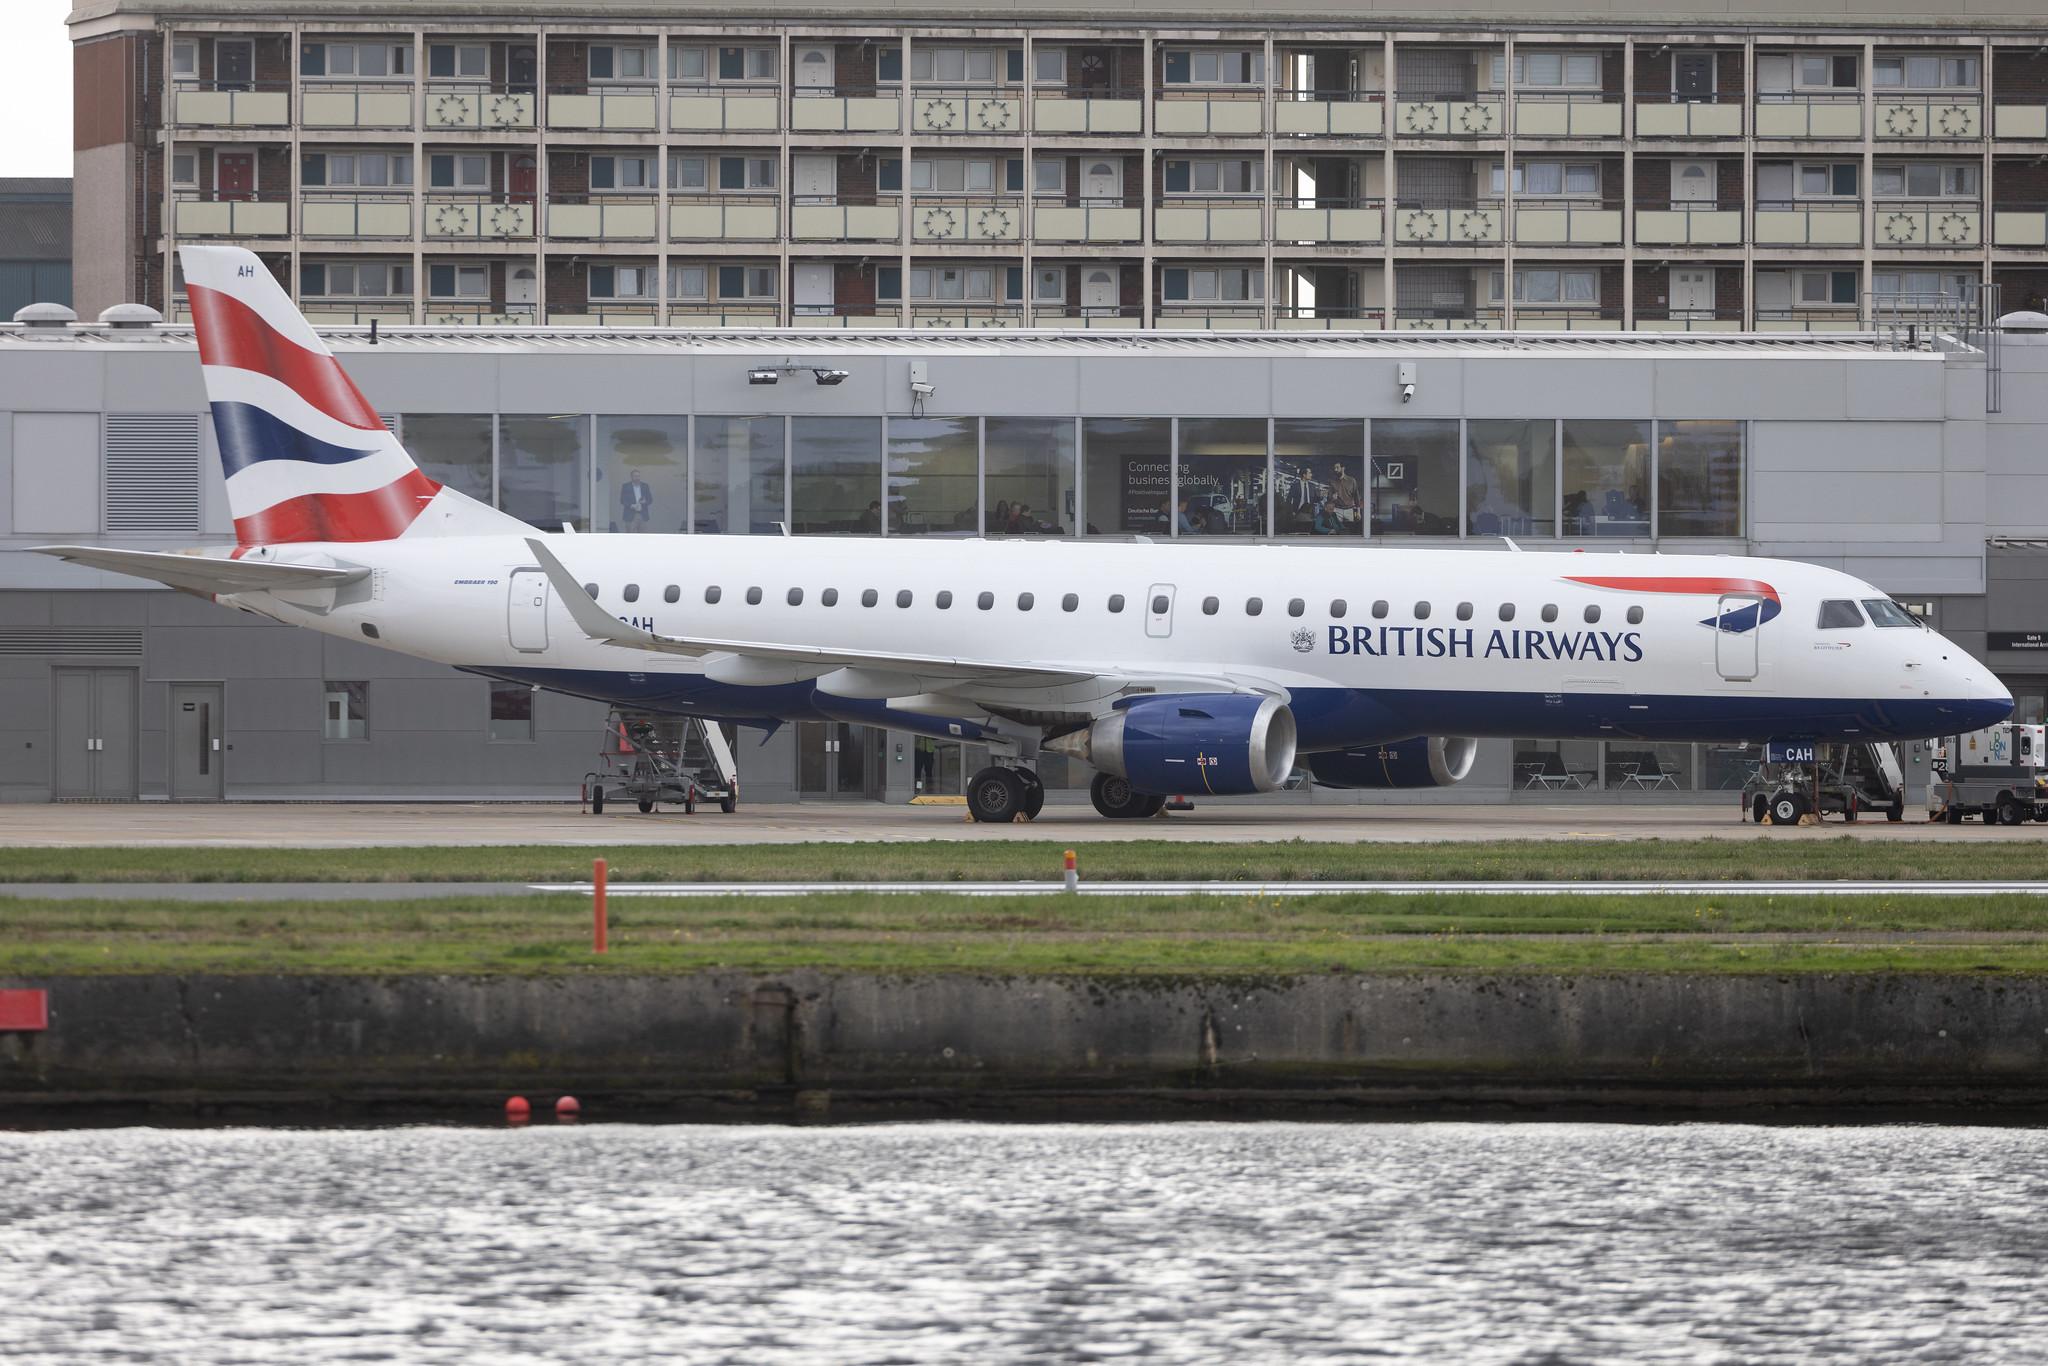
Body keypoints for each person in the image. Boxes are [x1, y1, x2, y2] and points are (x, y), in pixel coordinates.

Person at [620, 468, 653, 533]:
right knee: (630, 536)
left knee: (643, 536)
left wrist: (644, 502)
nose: (637, 478)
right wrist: (631, 505)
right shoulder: (626, 486)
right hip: (630, 515)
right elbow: (622, 500)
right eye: (635, 476)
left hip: (643, 515)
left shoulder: (645, 486)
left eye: (638, 476)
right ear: (631, 477)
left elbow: (650, 499)